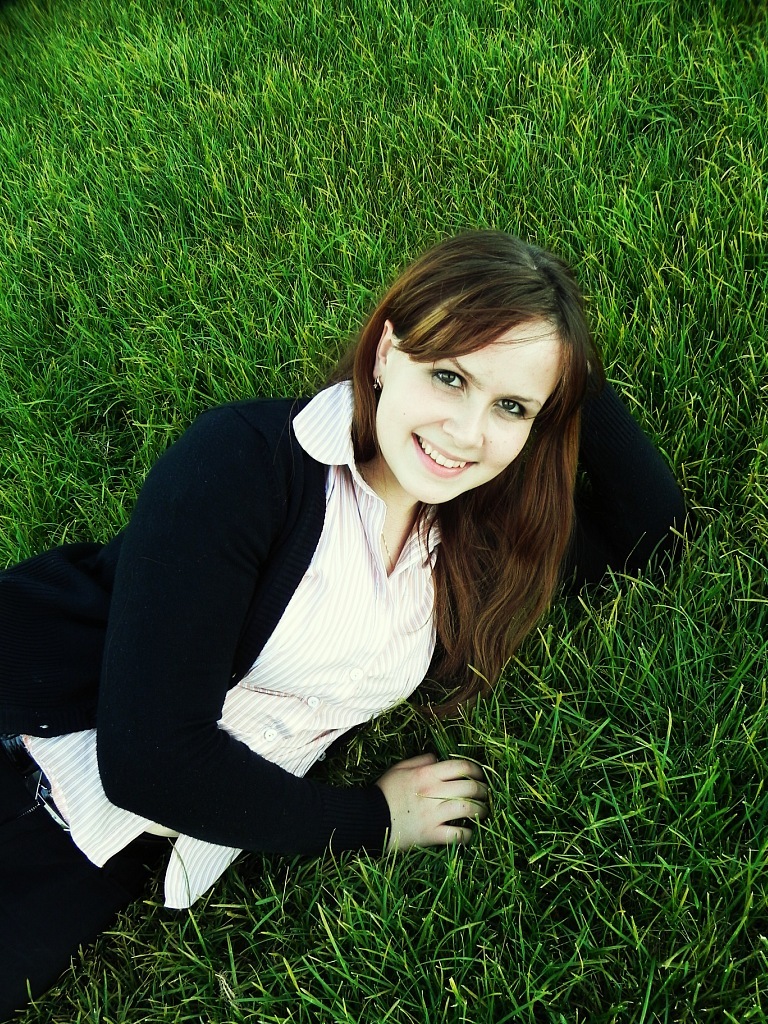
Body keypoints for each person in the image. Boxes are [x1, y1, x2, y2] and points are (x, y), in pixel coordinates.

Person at [0, 230, 685, 1013]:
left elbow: (652, 535)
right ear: (388, 352)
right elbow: (152, 763)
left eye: (510, 407)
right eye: (450, 376)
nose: (467, 433)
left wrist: (567, 369)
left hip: (95, 861)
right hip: (24, 734)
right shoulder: (246, 464)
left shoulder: (480, 546)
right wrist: (376, 820)